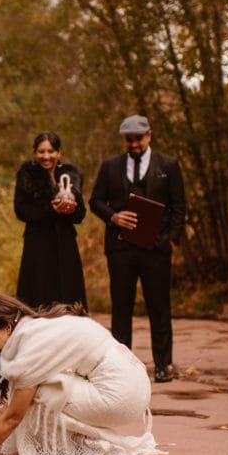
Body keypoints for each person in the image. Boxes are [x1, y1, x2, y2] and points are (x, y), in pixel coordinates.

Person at [0, 294, 163, 455]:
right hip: (135, 382)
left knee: (38, 393)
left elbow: (12, 417)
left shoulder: (31, 345)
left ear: (7, 327)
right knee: (34, 387)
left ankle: (84, 449)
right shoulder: (37, 329)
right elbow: (8, 407)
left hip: (121, 395)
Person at [88, 116, 186, 383]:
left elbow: (179, 206)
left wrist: (171, 239)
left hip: (156, 249)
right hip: (120, 248)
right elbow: (95, 201)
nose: (133, 144)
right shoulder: (110, 166)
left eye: (138, 139)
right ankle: (122, 366)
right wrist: (114, 217)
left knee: (159, 307)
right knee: (121, 307)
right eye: (129, 140)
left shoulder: (168, 165)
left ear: (149, 136)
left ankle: (163, 365)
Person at [14, 131, 88, 310]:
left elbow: (81, 214)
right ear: (34, 153)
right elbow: (21, 210)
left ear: (59, 153)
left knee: (68, 294)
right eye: (41, 152)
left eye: (51, 151)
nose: (46, 156)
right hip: (38, 244)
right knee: (39, 294)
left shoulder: (71, 174)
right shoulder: (27, 175)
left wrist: (70, 210)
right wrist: (51, 210)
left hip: (65, 244)